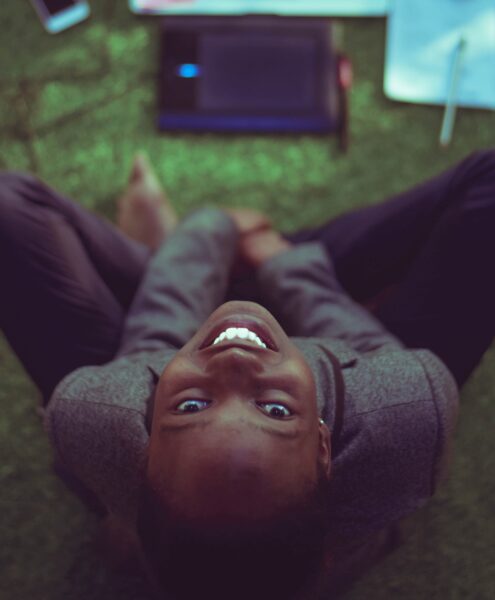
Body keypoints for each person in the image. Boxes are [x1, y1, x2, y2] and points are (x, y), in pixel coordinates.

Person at [1, 149, 494, 599]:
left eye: (191, 406)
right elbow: (368, 347)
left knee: (9, 208)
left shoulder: (96, 416)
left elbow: (155, 339)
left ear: (142, 446)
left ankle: (167, 254)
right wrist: (279, 260)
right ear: (324, 447)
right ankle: (231, 265)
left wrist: (211, 228)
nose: (235, 363)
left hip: (174, 336)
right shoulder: (409, 410)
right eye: (275, 411)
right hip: (322, 309)